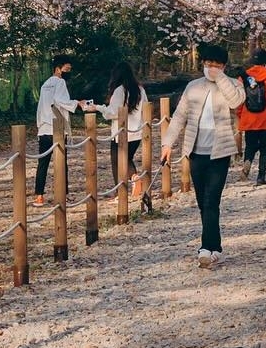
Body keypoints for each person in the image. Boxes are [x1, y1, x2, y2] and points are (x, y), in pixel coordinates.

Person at [161, 42, 247, 266]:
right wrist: (167, 144)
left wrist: (220, 78)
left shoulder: (232, 85)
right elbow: (179, 116)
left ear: (224, 66)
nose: (211, 68)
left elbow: (236, 101)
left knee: (212, 199)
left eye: (216, 64)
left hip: (220, 151)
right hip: (196, 151)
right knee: (202, 201)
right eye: (208, 64)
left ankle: (205, 247)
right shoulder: (193, 87)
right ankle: (215, 246)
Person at [100, 61, 149, 212]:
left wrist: (99, 108)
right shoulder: (140, 89)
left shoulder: (119, 91)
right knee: (126, 158)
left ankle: (120, 192)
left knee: (117, 160)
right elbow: (146, 107)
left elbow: (113, 112)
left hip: (121, 133)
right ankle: (134, 179)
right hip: (138, 131)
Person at [35, 54, 84, 204]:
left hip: (44, 128)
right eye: (67, 69)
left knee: (43, 163)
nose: (69, 72)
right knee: (61, 163)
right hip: (56, 129)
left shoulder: (45, 85)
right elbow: (61, 101)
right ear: (58, 69)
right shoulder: (60, 82)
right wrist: (77, 103)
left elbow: (41, 106)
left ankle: (39, 196)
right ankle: (63, 194)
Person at [238, 48, 266, 187]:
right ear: (265, 62)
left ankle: (248, 161)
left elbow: (238, 99)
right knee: (264, 148)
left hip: (248, 117)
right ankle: (261, 177)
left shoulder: (243, 77)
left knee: (250, 145)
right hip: (265, 118)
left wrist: (240, 114)